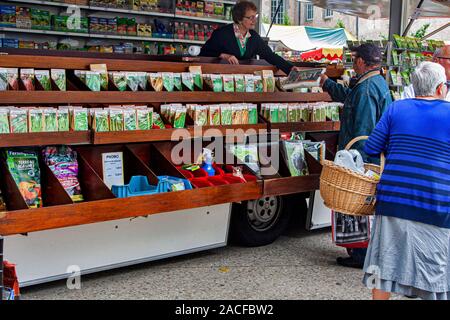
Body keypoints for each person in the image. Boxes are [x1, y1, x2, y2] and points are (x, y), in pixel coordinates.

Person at [362, 61, 450, 300]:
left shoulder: (396, 109)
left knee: (383, 267)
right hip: (436, 205)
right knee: (433, 272)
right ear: (441, 88)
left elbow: (371, 147)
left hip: (392, 200)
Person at [319, 43, 392, 269]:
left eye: (354, 59)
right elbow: (351, 97)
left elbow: (363, 130)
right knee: (362, 208)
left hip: (361, 158)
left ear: (361, 61)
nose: (353, 63)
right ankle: (360, 252)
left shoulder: (367, 88)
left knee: (356, 206)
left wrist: (355, 162)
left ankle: (360, 254)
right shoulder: (375, 82)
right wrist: (327, 83)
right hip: (368, 156)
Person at [199, 0, 298, 75]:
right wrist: (223, 55)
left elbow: (270, 56)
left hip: (244, 79)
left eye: (255, 16)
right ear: (239, 19)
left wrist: (290, 68)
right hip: (221, 78)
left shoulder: (254, 37)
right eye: (250, 18)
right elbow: (204, 53)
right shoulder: (222, 33)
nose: (254, 20)